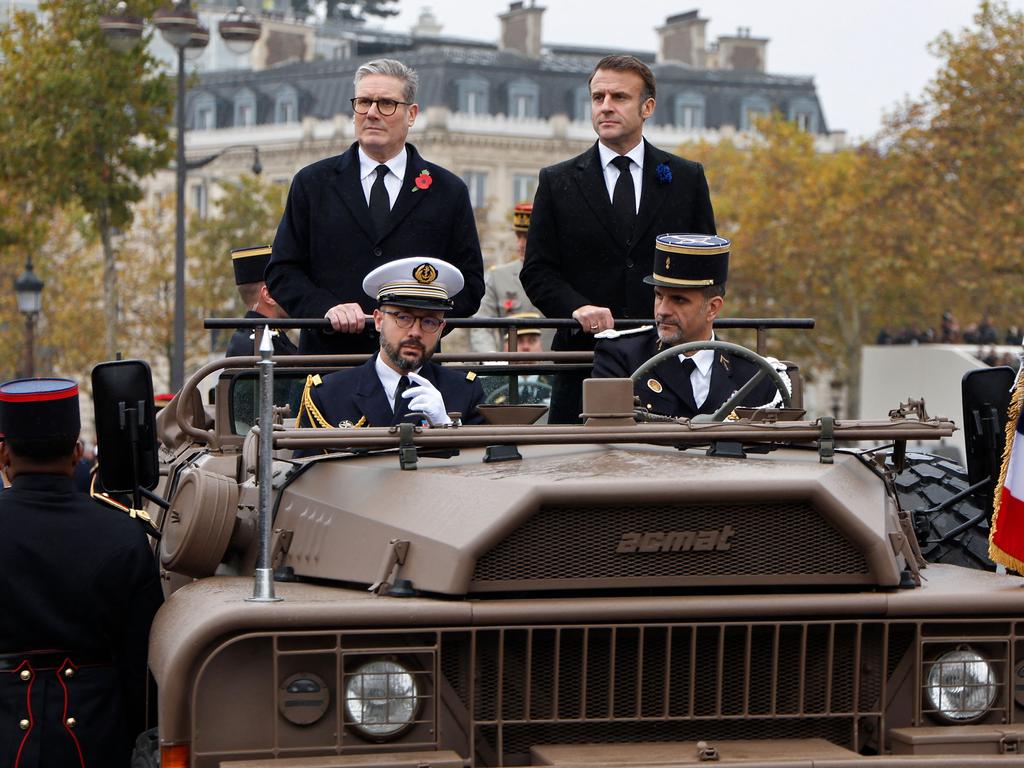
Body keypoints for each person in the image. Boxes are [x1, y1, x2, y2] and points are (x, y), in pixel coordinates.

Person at [521, 54, 717, 423]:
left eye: (619, 98)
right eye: (598, 98)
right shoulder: (557, 181)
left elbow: (706, 271)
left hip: (667, 358)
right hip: (582, 360)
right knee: (572, 470)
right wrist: (576, 308)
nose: (606, 107)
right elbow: (537, 271)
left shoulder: (686, 178)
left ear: (648, 107)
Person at [267, 58, 484, 355]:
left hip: (413, 365)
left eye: (386, 104)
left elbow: (470, 284)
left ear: (411, 114)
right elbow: (282, 271)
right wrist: (326, 309)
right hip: (330, 362)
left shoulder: (447, 191)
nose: (371, 113)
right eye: (363, 102)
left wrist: (419, 320)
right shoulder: (313, 183)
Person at [0, 377, 164, 766]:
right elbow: (142, 666)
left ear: (4, 455)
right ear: (76, 454)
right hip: (95, 735)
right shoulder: (122, 532)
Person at [592, 234, 779, 419]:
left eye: (679, 300)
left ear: (712, 308)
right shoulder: (622, 358)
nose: (663, 310)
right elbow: (606, 437)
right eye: (659, 296)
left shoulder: (754, 375)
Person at [298, 257, 485, 430]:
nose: (415, 332)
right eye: (403, 317)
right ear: (378, 320)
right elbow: (309, 465)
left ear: (441, 328)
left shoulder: (464, 391)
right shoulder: (329, 393)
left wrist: (445, 427)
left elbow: (484, 464)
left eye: (429, 322)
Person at [470, 203, 549, 353]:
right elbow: (480, 327)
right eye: (518, 236)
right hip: (510, 370)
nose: (521, 244)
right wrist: (492, 361)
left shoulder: (565, 278)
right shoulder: (499, 277)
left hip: (556, 370)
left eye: (528, 236)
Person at [225, 245, 297, 357]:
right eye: (287, 287)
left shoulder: (243, 338)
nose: (296, 294)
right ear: (269, 295)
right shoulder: (268, 344)